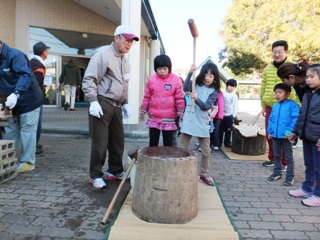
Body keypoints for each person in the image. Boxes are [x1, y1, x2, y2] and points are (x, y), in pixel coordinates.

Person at [82, 25, 139, 189]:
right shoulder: (102, 53)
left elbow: (124, 85)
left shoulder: (125, 61)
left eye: (132, 41)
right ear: (116, 38)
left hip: (117, 105)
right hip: (102, 102)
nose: (129, 44)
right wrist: (92, 100)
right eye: (126, 39)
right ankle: (95, 175)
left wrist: (126, 103)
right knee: (100, 142)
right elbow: (89, 79)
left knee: (117, 141)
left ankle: (114, 171)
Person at [0, 40, 43, 172]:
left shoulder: (15, 55)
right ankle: (6, 159)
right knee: (10, 130)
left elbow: (25, 75)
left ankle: (28, 162)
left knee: (27, 130)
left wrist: (16, 93)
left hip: (28, 99)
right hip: (9, 101)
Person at [180, 62, 218, 187]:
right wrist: (190, 72)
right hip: (189, 121)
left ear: (215, 78)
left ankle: (204, 174)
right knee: (183, 149)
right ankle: (181, 172)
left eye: (211, 76)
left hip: (202, 122)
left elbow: (206, 106)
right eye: (206, 74)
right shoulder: (194, 85)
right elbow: (185, 88)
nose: (208, 78)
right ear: (202, 74)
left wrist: (196, 99)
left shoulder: (214, 92)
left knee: (206, 152)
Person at [260, 40, 297, 168]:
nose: (277, 54)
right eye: (274, 52)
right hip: (271, 106)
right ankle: (272, 158)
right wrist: (263, 105)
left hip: (287, 108)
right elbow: (263, 87)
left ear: (286, 52)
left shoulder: (291, 67)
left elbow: (297, 89)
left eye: (279, 52)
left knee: (285, 134)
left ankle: (285, 161)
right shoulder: (268, 69)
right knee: (270, 133)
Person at [287, 64, 320, 207]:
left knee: (319, 168)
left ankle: (318, 195)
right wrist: (295, 131)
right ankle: (307, 188)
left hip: (317, 138)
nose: (308, 80)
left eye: (312, 77)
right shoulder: (307, 93)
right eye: (307, 77)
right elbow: (302, 115)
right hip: (307, 135)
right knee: (309, 164)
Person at [140, 54, 185, 147]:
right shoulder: (151, 80)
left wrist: (180, 111)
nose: (162, 71)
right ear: (155, 68)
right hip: (154, 117)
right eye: (159, 69)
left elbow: (179, 98)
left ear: (169, 68)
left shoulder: (176, 80)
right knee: (153, 143)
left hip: (168, 118)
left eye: (165, 69)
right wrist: (143, 110)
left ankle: (166, 160)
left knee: (168, 144)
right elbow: (147, 97)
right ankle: (152, 159)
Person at [266, 83, 299, 186]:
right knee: (276, 155)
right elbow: (271, 120)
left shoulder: (293, 105)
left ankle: (290, 176)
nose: (277, 95)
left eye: (280, 92)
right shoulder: (275, 106)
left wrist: (289, 133)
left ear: (287, 93)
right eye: (275, 93)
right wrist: (270, 132)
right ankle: (277, 172)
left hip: (286, 137)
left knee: (288, 157)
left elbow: (295, 119)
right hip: (275, 136)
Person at [277, 61, 310, 149]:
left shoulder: (311, 85)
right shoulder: (297, 85)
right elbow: (304, 103)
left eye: (283, 80)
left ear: (291, 77)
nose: (283, 83)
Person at [29, 41, 50, 154]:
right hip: (35, 100)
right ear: (43, 52)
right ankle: (33, 145)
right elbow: (35, 84)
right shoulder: (39, 66)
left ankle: (33, 143)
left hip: (30, 98)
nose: (47, 53)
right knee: (37, 122)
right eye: (47, 51)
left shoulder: (29, 62)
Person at [219, 79, 238, 148]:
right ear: (227, 86)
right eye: (230, 86)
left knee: (228, 130)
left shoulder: (234, 96)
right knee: (220, 130)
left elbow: (235, 106)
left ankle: (227, 142)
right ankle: (219, 143)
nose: (232, 88)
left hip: (229, 116)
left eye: (234, 86)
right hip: (221, 116)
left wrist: (233, 115)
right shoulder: (222, 93)